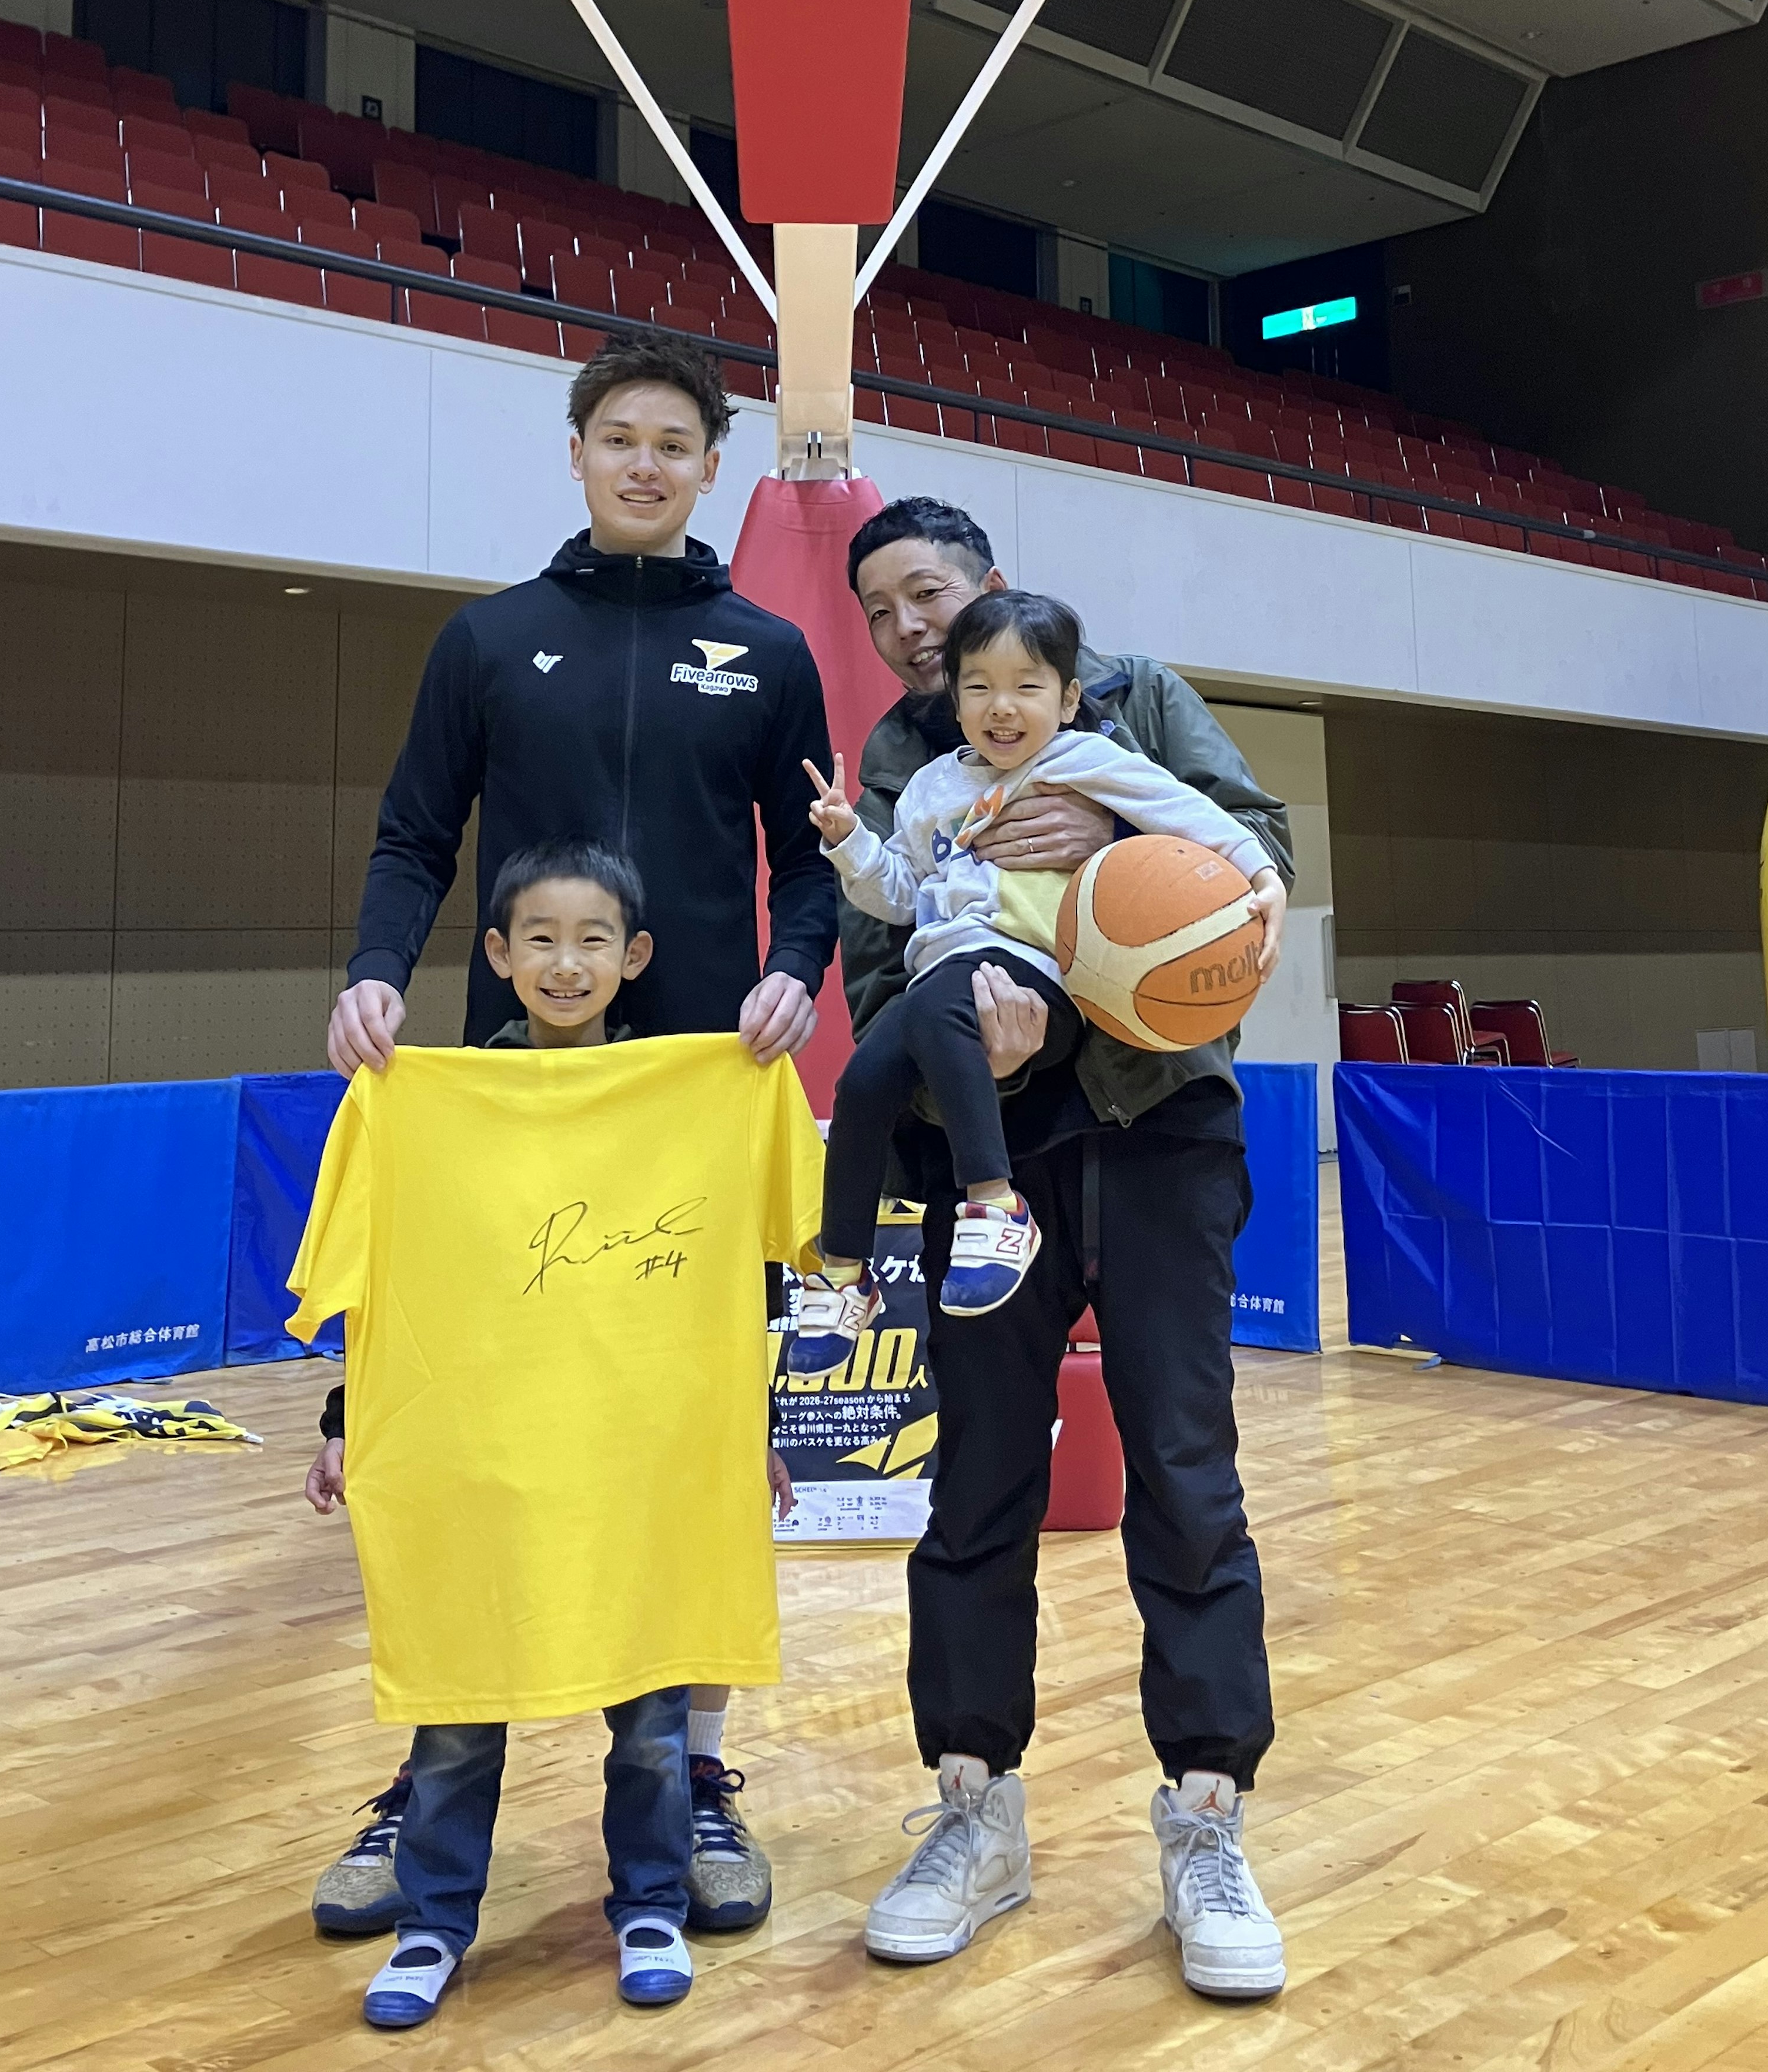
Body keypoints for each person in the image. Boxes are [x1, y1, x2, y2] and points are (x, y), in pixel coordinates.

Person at [310, 327, 835, 1944]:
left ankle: (696, 1779)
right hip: (506, 1097)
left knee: (678, 1435)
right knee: (476, 1427)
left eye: (676, 443)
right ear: (579, 451)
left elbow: (805, 871)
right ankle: (431, 1766)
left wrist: (796, 977)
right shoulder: (488, 641)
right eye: (620, 436)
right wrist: (372, 980)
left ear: (709, 468)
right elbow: (414, 836)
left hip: (689, 1098)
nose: (646, 462)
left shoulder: (764, 652)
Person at [838, 498, 1295, 2003]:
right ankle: (975, 1807)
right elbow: (876, 953)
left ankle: (1211, 1816)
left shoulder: (1135, 698)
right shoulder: (905, 761)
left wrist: (1113, 845)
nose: (910, 628)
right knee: (976, 1475)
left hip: (1164, 1130)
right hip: (1000, 1161)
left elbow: (1260, 857)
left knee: (1183, 1465)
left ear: (998, 597)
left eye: (930, 597)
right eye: (883, 610)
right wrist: (962, 999)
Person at [302, 844, 806, 2028]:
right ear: (498, 956)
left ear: (635, 958)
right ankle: (432, 1921)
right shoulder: (426, 1099)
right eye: (539, 937)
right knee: (460, 1708)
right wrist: (346, 1423)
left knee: (650, 1715)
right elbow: (384, 1280)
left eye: (592, 940)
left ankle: (648, 1900)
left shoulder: (698, 1091)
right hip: (483, 1466)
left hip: (638, 1468)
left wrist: (757, 1431)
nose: (565, 962)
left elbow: (751, 1277)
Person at [794, 588, 1284, 1365]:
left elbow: (1197, 818)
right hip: (943, 981)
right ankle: (845, 1277)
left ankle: (995, 1205)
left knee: (939, 1014)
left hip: (1032, 972)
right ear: (954, 699)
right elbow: (895, 894)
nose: (1003, 705)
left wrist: (1262, 875)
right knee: (861, 1088)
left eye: (1027, 685)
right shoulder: (930, 790)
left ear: (1068, 697)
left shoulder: (1089, 761)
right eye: (980, 686)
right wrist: (849, 842)